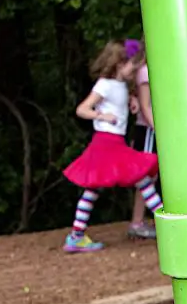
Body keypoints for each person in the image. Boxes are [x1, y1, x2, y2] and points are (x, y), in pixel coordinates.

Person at [61, 40, 163, 253]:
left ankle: (76, 235)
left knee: (94, 188)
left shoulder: (120, 86)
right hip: (106, 143)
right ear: (118, 64)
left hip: (113, 143)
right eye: (131, 65)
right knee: (141, 177)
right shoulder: (104, 85)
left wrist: (132, 99)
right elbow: (82, 109)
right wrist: (101, 115)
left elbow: (119, 98)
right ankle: (167, 224)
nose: (134, 68)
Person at [124, 38, 158, 240]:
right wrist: (158, 130)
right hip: (148, 130)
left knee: (152, 176)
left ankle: (142, 220)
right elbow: (146, 107)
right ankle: (137, 222)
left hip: (154, 129)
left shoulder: (155, 70)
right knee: (145, 175)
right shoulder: (145, 72)